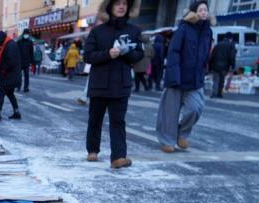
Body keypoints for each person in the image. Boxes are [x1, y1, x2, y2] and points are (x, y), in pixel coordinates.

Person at [84, 0, 143, 169]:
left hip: (121, 84)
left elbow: (139, 55)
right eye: (117, 3)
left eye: (124, 3)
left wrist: (127, 52)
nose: (121, 6)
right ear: (109, 7)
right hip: (99, 84)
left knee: (118, 121)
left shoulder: (134, 31)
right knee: (95, 119)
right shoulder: (97, 31)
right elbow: (88, 56)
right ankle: (92, 150)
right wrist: (107, 54)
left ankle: (118, 157)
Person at [156, 1, 213, 153]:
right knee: (170, 112)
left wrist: (204, 71)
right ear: (194, 12)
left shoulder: (208, 31)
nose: (203, 12)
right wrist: (174, 75)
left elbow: (206, 55)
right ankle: (167, 141)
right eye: (200, 10)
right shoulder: (183, 28)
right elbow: (173, 52)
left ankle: (182, 134)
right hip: (178, 76)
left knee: (195, 108)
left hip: (196, 79)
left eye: (205, 10)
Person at [0, 31, 22, 121]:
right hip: (11, 75)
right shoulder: (8, 44)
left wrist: (3, 70)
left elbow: (10, 61)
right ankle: (17, 112)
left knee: (1, 93)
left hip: (10, 75)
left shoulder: (10, 45)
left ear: (1, 39)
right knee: (10, 93)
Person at [209, 32, 236, 98]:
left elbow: (212, 56)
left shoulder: (217, 44)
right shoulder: (231, 45)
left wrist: (210, 66)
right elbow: (232, 56)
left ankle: (214, 93)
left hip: (215, 65)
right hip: (224, 66)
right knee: (222, 80)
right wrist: (233, 65)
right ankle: (219, 94)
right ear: (231, 38)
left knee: (215, 80)